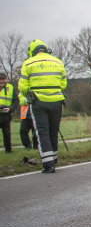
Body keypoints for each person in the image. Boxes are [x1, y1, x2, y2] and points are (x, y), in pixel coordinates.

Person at [18, 40, 67, 173]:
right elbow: (63, 83)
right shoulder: (57, 62)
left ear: (32, 51)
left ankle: (48, 165)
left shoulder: (28, 62)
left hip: (39, 101)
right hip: (57, 101)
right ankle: (54, 159)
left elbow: (22, 86)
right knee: (53, 131)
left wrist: (31, 92)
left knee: (42, 132)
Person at [0, 72, 20, 153]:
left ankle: (8, 151)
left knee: (7, 134)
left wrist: (10, 109)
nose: (1, 81)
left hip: (6, 115)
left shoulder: (10, 87)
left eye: (3, 79)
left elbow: (16, 101)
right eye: (0, 79)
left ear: (6, 79)